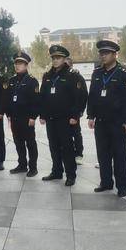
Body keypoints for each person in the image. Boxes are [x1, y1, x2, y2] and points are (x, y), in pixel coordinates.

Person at [87, 40, 126, 197]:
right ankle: (106, 182)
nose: (103, 56)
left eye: (106, 53)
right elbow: (92, 96)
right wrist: (91, 115)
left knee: (120, 155)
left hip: (117, 122)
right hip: (101, 121)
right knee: (103, 154)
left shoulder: (124, 73)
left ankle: (123, 185)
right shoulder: (97, 73)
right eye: (101, 53)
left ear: (115, 54)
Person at [39, 45, 80, 187]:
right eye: (54, 58)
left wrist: (75, 115)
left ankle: (71, 175)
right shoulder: (47, 76)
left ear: (64, 59)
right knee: (54, 146)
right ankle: (56, 171)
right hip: (51, 118)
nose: (55, 60)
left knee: (67, 148)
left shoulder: (72, 75)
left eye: (59, 58)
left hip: (66, 119)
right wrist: (42, 114)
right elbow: (42, 96)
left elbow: (80, 97)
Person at [5, 51, 40, 177]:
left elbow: (36, 101)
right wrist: (8, 115)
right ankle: (22, 165)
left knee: (30, 143)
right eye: (16, 63)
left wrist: (33, 117)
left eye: (20, 63)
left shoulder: (32, 81)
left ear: (26, 65)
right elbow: (8, 99)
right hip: (15, 118)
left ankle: (33, 167)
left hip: (27, 118)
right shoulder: (12, 81)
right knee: (18, 143)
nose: (17, 66)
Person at [65, 56, 88, 165]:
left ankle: (78, 154)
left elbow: (83, 95)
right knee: (64, 135)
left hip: (73, 112)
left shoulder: (77, 77)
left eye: (66, 65)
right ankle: (67, 153)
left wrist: (78, 113)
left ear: (71, 65)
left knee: (76, 133)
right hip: (62, 114)